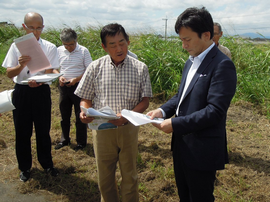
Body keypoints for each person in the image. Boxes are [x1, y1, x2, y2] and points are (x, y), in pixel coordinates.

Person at [147, 7, 237, 202]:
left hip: (202, 148)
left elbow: (215, 111)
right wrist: (162, 110)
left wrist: (174, 124)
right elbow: (182, 96)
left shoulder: (222, 64)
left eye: (187, 39)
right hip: (181, 144)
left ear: (206, 35)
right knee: (184, 195)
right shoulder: (191, 61)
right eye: (181, 40)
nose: (183, 45)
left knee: (200, 197)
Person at [75, 23, 152, 202]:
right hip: (102, 130)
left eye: (122, 42)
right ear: (104, 47)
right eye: (113, 44)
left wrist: (127, 116)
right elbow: (85, 97)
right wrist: (84, 112)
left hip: (128, 129)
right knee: (105, 176)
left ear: (128, 42)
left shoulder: (140, 68)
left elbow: (145, 101)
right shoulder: (95, 67)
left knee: (130, 175)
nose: (119, 48)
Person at [2, 12, 59, 182]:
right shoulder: (15, 47)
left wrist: (42, 81)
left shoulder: (50, 47)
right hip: (22, 91)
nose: (35, 32)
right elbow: (8, 73)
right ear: (24, 27)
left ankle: (47, 164)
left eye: (39, 28)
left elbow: (51, 71)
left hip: (41, 92)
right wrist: (21, 64)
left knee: (43, 130)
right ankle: (25, 167)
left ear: (43, 27)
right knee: (22, 131)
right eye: (31, 28)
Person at [54, 28, 92, 151]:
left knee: (80, 115)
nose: (68, 47)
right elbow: (54, 68)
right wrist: (59, 76)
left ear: (76, 40)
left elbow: (89, 70)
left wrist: (76, 79)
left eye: (71, 44)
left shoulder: (83, 51)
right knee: (64, 115)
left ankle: (81, 142)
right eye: (66, 45)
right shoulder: (59, 50)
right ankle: (64, 140)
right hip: (64, 87)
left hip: (79, 87)